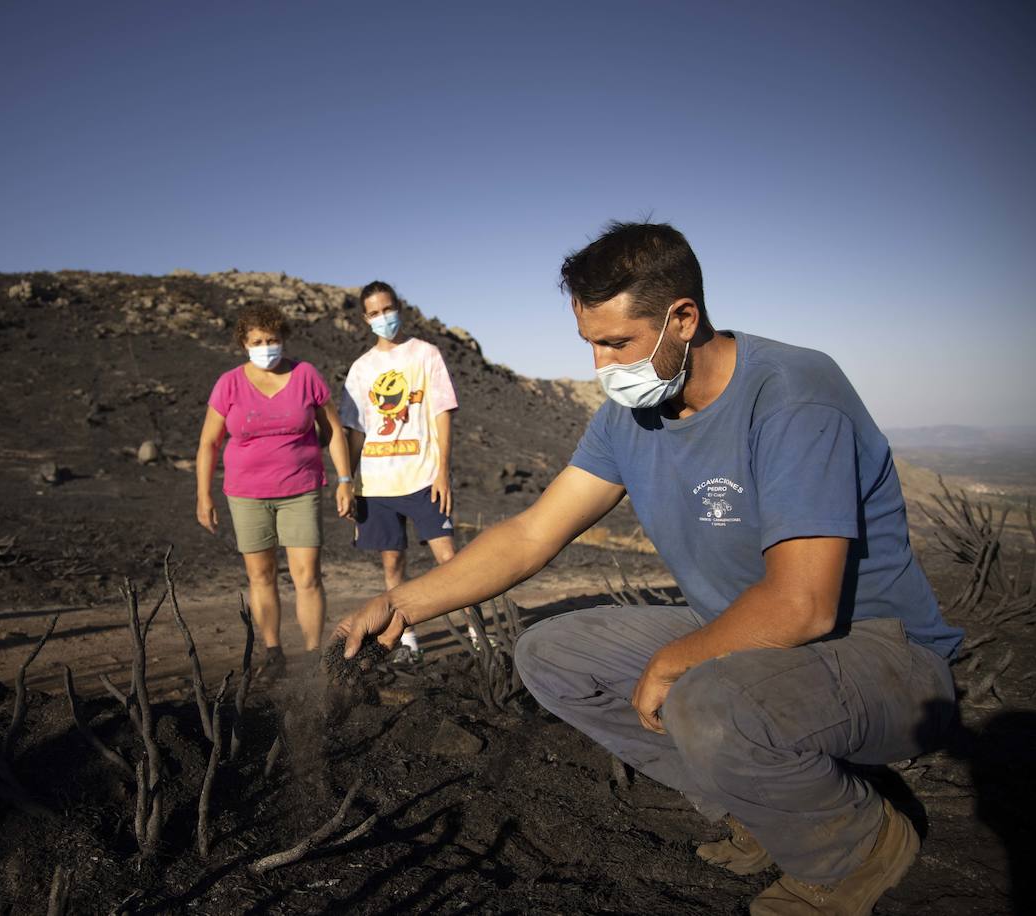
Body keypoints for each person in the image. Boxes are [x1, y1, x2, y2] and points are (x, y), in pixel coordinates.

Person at [336, 222, 963, 914]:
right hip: (743, 638)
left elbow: (805, 605)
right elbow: (531, 533)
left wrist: (674, 665)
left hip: (880, 655)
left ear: (683, 318)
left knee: (704, 695)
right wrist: (403, 606)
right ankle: (758, 805)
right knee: (552, 655)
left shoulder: (792, 393)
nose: (602, 367)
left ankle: (857, 847)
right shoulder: (627, 418)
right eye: (591, 345)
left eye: (617, 344)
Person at [196, 304, 354, 675]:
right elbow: (208, 443)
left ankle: (316, 655)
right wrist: (204, 495)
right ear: (244, 344)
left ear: (283, 339)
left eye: (272, 340)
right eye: (257, 341)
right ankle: (273, 651)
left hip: (300, 490)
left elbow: (332, 432)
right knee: (261, 576)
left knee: (307, 576)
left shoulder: (306, 375)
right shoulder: (229, 383)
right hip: (247, 495)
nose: (265, 347)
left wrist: (345, 480)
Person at [338, 281, 461, 664]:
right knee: (393, 563)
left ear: (399, 308)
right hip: (376, 483)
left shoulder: (425, 355)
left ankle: (476, 630)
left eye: (387, 309)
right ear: (365, 319)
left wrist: (443, 471)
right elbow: (355, 432)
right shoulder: (361, 369)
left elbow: (442, 414)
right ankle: (408, 640)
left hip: (423, 477)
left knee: (451, 561)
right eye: (374, 313)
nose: (383, 318)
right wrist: (346, 481)